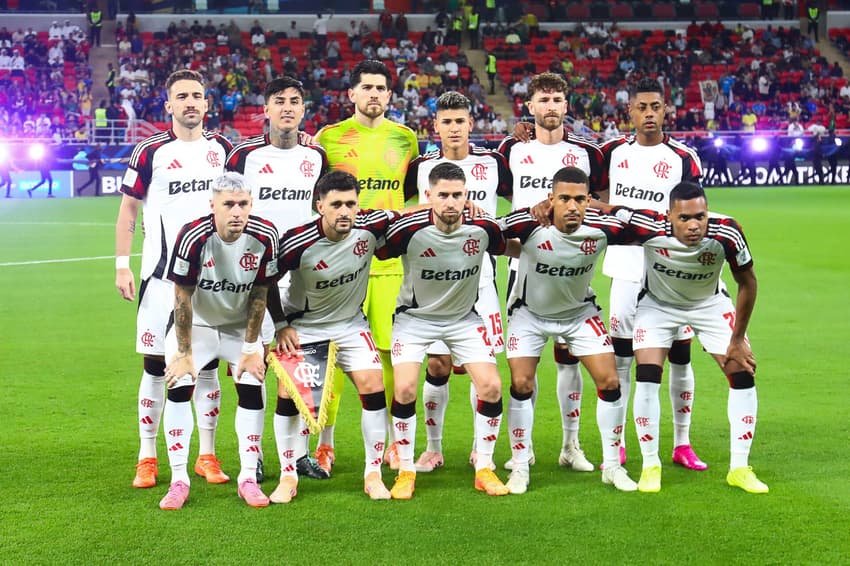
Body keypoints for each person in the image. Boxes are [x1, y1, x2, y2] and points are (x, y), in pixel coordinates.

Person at [603, 182, 767, 494]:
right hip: (658, 306)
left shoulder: (727, 232)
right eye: (684, 219)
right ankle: (651, 465)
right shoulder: (648, 225)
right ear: (669, 216)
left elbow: (748, 282)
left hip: (710, 305)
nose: (693, 226)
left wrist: (737, 339)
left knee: (742, 371)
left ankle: (740, 467)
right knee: (648, 375)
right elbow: (608, 211)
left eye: (700, 217)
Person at [115, 69, 233, 491]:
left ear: (206, 103)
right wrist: (121, 265)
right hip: (160, 279)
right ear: (168, 105)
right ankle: (148, 457)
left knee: (207, 367)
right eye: (181, 96)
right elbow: (129, 209)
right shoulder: (150, 151)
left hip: (211, 281)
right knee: (154, 366)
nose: (190, 102)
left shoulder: (222, 149)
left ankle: (207, 454)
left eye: (196, 96)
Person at [270, 171, 412, 503]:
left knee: (373, 386)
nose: (345, 211)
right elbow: (265, 281)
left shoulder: (369, 228)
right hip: (304, 326)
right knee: (287, 395)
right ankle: (287, 476)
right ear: (320, 206)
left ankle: (372, 473)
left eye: (351, 203)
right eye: (336, 204)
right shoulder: (297, 241)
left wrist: (443, 205)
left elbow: (404, 215)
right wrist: (280, 325)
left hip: (350, 324)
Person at [500, 166, 638, 493]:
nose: (572, 206)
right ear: (551, 199)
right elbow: (492, 231)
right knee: (521, 383)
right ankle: (520, 466)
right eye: (564, 198)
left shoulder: (601, 229)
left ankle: (610, 465)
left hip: (578, 313)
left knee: (610, 380)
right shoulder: (531, 225)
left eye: (579, 199)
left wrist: (609, 208)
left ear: (589, 200)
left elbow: (645, 225)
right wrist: (525, 215)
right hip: (529, 313)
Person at [314, 60, 420, 474]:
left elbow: (409, 193)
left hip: (390, 260)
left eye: (381, 88)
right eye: (367, 87)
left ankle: (396, 443)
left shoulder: (405, 138)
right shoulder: (330, 138)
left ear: (389, 96)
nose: (374, 94)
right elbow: (318, 194)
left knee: (391, 355)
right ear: (351, 94)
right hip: (342, 262)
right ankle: (325, 442)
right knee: (332, 354)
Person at [381, 162, 509, 499]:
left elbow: (514, 243)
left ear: (467, 196)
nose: (451, 202)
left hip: (464, 319)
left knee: (492, 386)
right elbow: (375, 244)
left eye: (457, 195)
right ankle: (407, 470)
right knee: (405, 388)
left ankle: (484, 466)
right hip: (414, 320)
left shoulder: (484, 228)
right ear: (429, 196)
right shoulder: (408, 229)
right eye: (443, 196)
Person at [499, 72, 605, 472]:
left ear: (566, 105)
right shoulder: (511, 149)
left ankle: (571, 445)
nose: (550, 107)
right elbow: (506, 195)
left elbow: (598, 204)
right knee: (525, 361)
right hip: (522, 266)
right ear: (530, 107)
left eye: (557, 99)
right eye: (542, 100)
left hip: (571, 268)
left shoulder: (586, 155)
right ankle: (521, 450)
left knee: (568, 358)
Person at [226, 76, 330, 482]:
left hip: (301, 279)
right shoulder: (243, 156)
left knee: (298, 370)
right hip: (254, 277)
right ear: (265, 110)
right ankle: (253, 457)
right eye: (279, 101)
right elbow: (225, 208)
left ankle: (297, 454)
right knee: (253, 368)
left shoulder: (317, 158)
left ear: (303, 110)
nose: (287, 107)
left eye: (295, 101)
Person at [599, 77, 705, 471]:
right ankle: (621, 442)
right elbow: (586, 186)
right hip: (626, 268)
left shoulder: (683, 157)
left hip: (670, 271)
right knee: (623, 358)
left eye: (655, 106)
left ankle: (682, 442)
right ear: (629, 111)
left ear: (666, 109)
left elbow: (695, 214)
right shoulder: (609, 152)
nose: (648, 114)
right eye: (641, 107)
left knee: (680, 356)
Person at [403, 91, 512, 472]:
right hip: (432, 285)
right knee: (437, 366)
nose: (454, 128)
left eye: (460, 121)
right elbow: (405, 213)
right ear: (435, 126)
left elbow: (521, 198)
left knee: (482, 369)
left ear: (471, 123)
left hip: (480, 281)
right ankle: (433, 448)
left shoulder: (494, 162)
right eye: (446, 121)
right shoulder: (419, 167)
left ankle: (481, 451)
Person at [158, 172, 280, 510]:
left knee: (252, 382)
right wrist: (183, 353)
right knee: (180, 380)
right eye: (229, 204)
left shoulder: (266, 235)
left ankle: (248, 478)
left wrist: (252, 348)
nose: (237, 212)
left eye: (243, 204)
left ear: (251, 205)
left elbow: (260, 294)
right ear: (213, 206)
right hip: (197, 325)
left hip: (239, 327)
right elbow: (182, 296)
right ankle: (179, 479)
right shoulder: (193, 235)